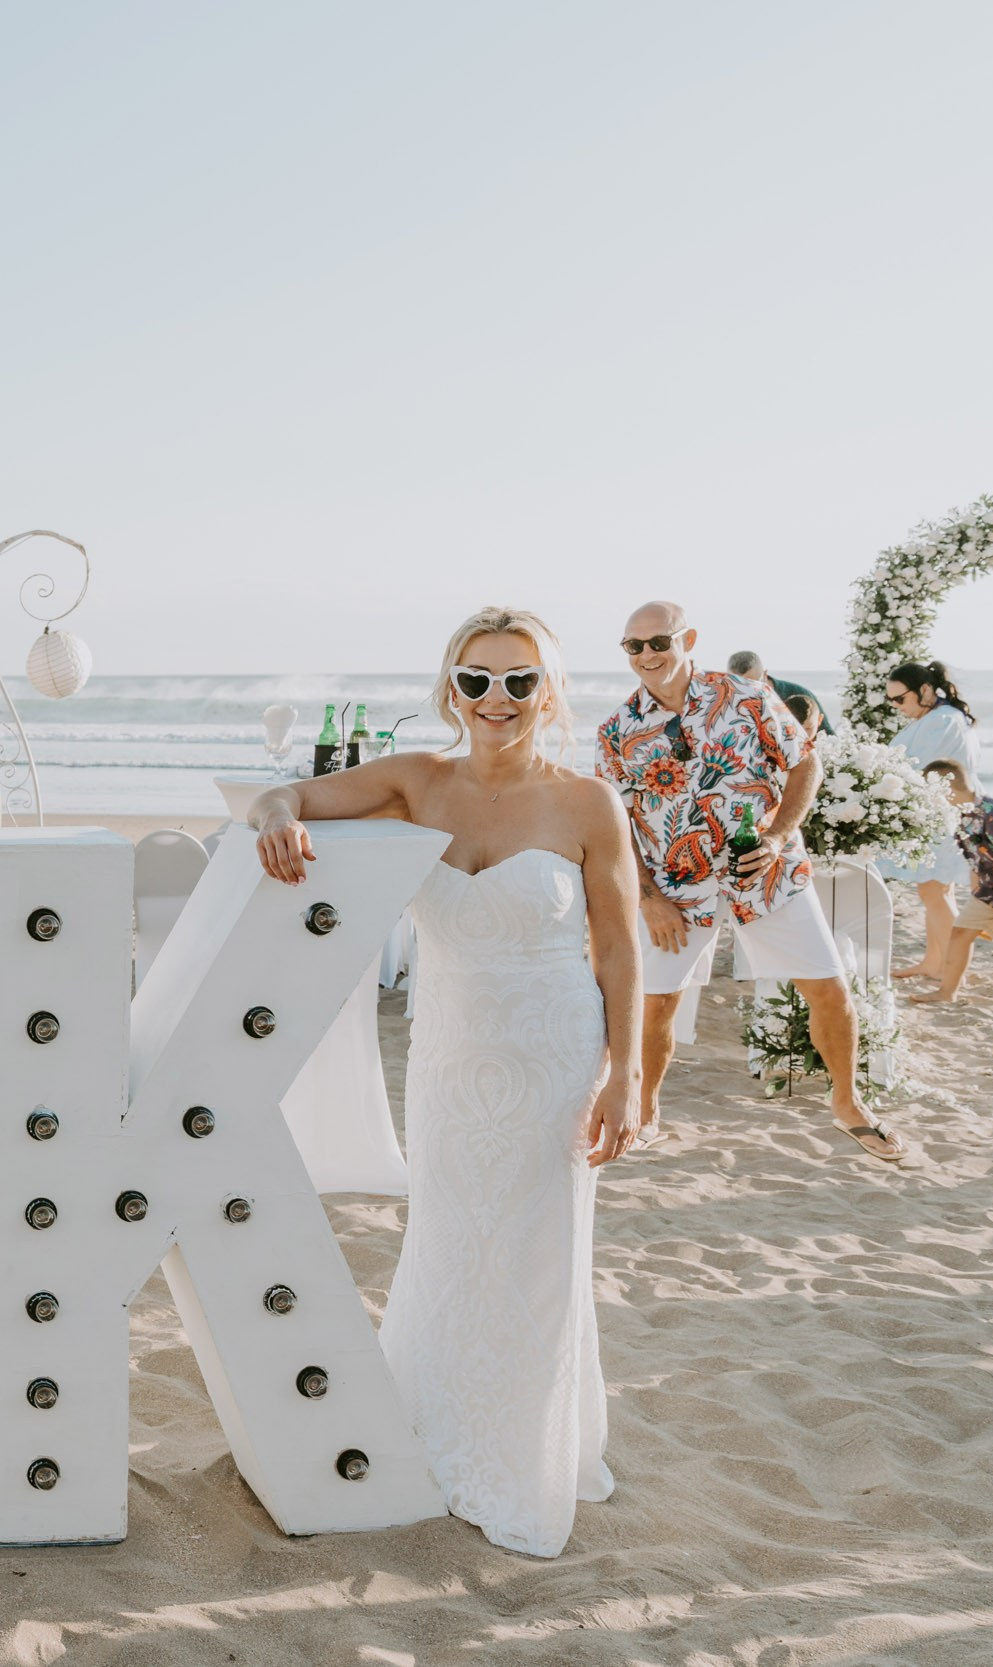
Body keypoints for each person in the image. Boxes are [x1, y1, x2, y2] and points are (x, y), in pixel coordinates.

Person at [250, 606, 639, 1558]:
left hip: (552, 1048)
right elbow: (284, 796)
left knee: (537, 1251)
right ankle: (438, 1430)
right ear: (448, 689)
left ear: (549, 689)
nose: (496, 699)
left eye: (518, 679)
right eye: (476, 679)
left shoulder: (590, 801)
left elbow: (622, 946)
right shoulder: (413, 780)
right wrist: (274, 819)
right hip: (450, 1051)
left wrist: (629, 1073)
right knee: (451, 1238)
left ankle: (523, 1456)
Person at [599, 603, 900, 1161]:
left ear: (687, 638)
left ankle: (847, 1103)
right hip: (676, 887)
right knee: (656, 1003)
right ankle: (646, 1111)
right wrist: (648, 897)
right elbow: (614, 822)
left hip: (767, 873)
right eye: (633, 646)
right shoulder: (618, 730)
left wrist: (779, 837)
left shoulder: (747, 696)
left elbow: (805, 764)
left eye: (658, 641)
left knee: (827, 987)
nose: (647, 655)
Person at [881, 660, 982, 981]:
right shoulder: (935, 717)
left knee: (935, 892)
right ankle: (934, 962)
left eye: (901, 699)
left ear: (925, 690)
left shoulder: (943, 721)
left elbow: (916, 766)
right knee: (937, 892)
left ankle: (951, 968)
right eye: (891, 701)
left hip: (946, 813)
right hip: (941, 811)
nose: (897, 706)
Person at [908, 759, 993, 1003]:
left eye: (932, 791)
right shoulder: (959, 814)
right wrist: (975, 874)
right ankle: (947, 992)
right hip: (989, 891)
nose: (930, 798)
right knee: (959, 934)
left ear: (947, 787)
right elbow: (973, 848)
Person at [726, 650, 835, 737]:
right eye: (738, 685)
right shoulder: (726, 701)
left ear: (765, 675)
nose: (746, 690)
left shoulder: (798, 693)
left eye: (753, 684)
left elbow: (828, 735)